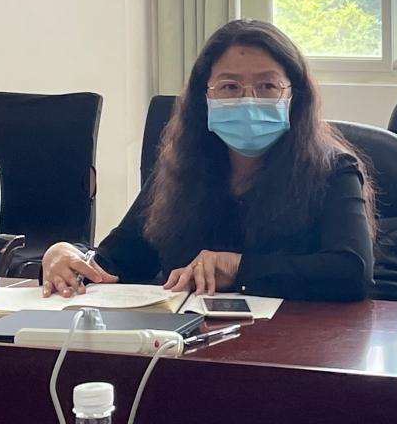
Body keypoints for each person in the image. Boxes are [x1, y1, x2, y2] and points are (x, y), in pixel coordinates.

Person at [41, 19, 375, 301]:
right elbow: (120, 259)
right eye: (229, 86)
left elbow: (351, 271)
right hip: (189, 341)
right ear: (204, 98)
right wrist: (69, 255)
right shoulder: (180, 167)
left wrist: (238, 268)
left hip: (295, 343)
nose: (248, 99)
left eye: (267, 86)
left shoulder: (333, 170)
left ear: (294, 97)